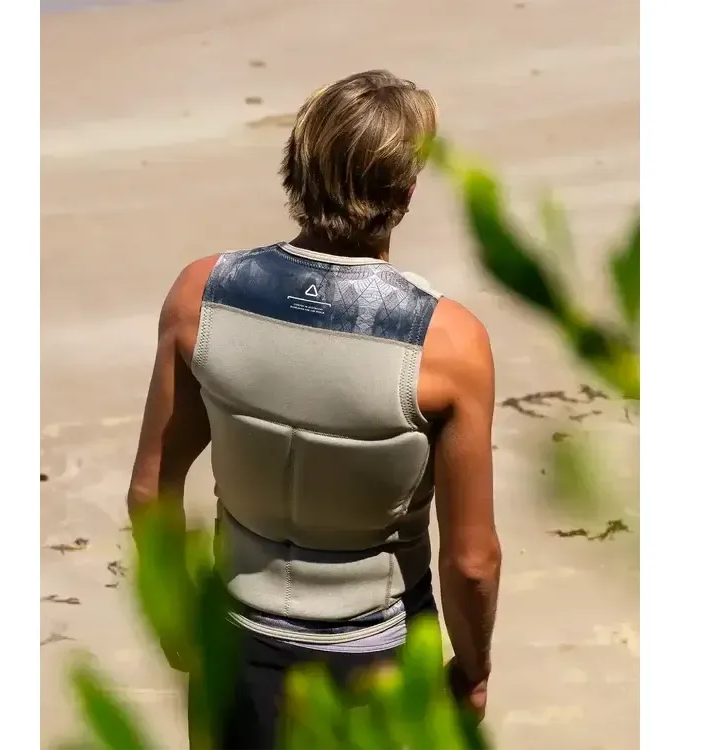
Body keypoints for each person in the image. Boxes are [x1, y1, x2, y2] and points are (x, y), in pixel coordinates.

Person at [127, 69, 501, 750]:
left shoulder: (201, 295)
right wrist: (474, 669)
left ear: (296, 164)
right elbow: (472, 562)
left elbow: (152, 489)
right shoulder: (448, 344)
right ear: (406, 189)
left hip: (235, 647)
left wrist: (178, 618)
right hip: (378, 661)